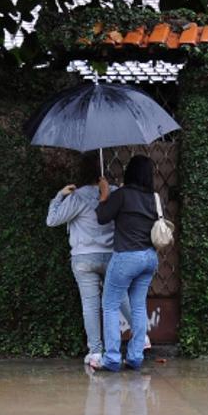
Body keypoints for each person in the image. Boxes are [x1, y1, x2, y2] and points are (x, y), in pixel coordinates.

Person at [46, 153, 130, 365]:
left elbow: (52, 220)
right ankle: (142, 335)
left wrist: (60, 195)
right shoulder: (115, 193)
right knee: (121, 298)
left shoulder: (77, 196)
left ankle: (95, 352)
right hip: (111, 255)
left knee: (91, 305)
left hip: (84, 258)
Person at [93, 154, 160, 372]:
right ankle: (135, 356)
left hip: (127, 256)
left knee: (110, 305)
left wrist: (104, 193)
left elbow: (102, 217)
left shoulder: (122, 195)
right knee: (138, 305)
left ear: (129, 172)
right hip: (149, 258)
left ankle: (112, 358)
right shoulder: (154, 198)